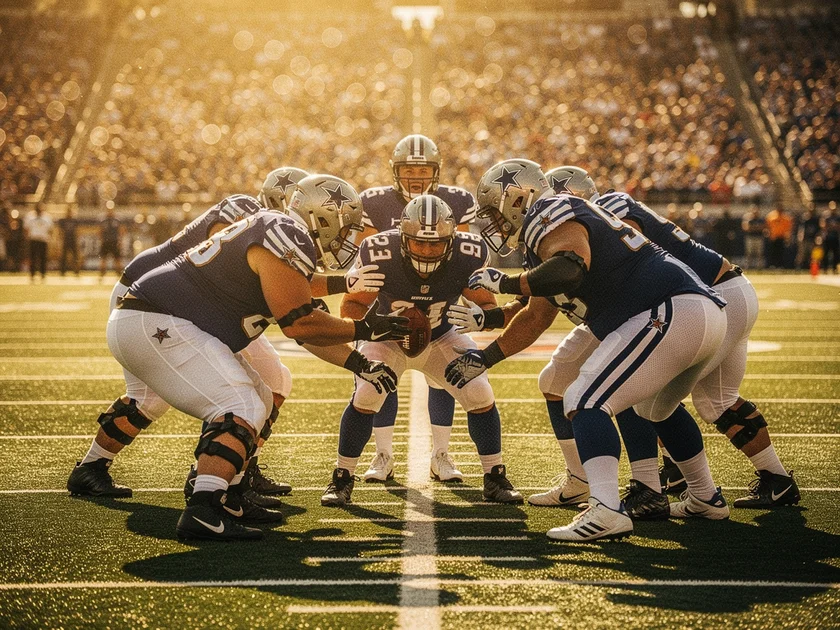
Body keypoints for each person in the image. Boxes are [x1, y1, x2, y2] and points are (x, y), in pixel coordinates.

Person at [99, 175, 409, 541]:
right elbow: (300, 324)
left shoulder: (283, 235)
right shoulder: (288, 232)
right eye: (345, 228)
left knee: (261, 397)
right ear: (322, 217)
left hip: (162, 319)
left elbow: (302, 312)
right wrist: (367, 330)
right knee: (240, 404)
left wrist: (360, 363)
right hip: (156, 319)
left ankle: (228, 494)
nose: (348, 239)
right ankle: (204, 507)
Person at [446, 159, 728, 542]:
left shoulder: (551, 210)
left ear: (517, 197)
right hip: (693, 311)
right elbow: (535, 317)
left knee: (584, 398)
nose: (495, 224)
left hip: (668, 307)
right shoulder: (545, 232)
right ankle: (705, 496)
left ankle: (606, 510)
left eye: (496, 211)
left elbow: (570, 268)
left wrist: (505, 283)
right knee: (653, 407)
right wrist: (485, 357)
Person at [527, 166, 798, 516]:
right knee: (715, 400)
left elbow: (632, 269)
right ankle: (775, 479)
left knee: (645, 392)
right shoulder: (605, 211)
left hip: (704, 296)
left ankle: (651, 485)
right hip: (723, 290)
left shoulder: (605, 213)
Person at [321, 195, 523, 507]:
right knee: (367, 394)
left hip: (442, 335)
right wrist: (374, 324)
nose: (427, 251)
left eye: (436, 244)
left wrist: (481, 317)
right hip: (388, 338)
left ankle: (494, 476)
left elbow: (486, 303)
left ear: (451, 241)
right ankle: (342, 477)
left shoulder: (466, 256)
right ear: (403, 239)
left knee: (479, 391)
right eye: (418, 243)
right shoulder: (380, 253)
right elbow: (352, 306)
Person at [352, 134, 478, 483]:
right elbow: (367, 259)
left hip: (441, 302)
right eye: (409, 168)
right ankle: (383, 455)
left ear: (436, 171)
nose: (416, 176)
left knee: (444, 380)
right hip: (387, 302)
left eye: (423, 169)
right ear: (395, 171)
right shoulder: (373, 202)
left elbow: (460, 258)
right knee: (380, 380)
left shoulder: (457, 199)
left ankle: (441, 454)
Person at [23, 204, 53, 282]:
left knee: (43, 258)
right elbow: (26, 228)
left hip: (43, 239)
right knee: (33, 258)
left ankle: (43, 274)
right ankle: (32, 274)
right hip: (33, 239)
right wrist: (27, 238)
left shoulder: (47, 217)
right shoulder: (30, 216)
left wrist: (49, 238)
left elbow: (50, 229)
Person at [99, 206, 123, 279]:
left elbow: (121, 231)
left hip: (114, 241)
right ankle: (102, 273)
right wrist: (101, 240)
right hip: (106, 241)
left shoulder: (116, 220)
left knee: (117, 258)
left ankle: (119, 273)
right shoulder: (103, 220)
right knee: (103, 258)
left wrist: (120, 241)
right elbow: (100, 231)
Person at [58, 205, 81, 276]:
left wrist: (78, 240)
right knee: (64, 256)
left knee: (75, 256)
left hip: (73, 240)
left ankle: (76, 271)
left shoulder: (74, 220)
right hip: (66, 240)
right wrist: (60, 240)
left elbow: (77, 231)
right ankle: (62, 271)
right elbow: (60, 231)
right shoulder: (63, 220)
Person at [821, 203, 840, 273]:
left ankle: (834, 269)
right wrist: (832, 227)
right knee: (826, 254)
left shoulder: (838, 217)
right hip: (827, 238)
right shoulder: (826, 217)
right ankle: (825, 269)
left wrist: (832, 227)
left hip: (835, 238)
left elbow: (838, 227)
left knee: (836, 254)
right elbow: (823, 226)